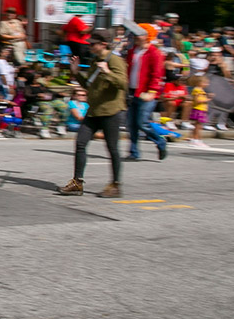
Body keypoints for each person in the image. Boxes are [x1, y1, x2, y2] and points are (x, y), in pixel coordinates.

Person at [56, 32, 128, 198]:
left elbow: (123, 84)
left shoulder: (115, 60)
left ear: (103, 44)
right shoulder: (96, 61)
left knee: (112, 149)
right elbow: (89, 86)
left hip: (111, 111)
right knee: (80, 143)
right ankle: (77, 183)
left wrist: (108, 72)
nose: (90, 47)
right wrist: (75, 72)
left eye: (93, 44)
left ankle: (116, 185)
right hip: (94, 111)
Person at [125, 23, 167, 161]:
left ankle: (160, 141)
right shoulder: (132, 51)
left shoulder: (155, 53)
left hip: (147, 92)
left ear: (146, 36)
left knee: (142, 122)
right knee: (131, 124)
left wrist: (153, 91)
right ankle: (134, 152)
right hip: (132, 90)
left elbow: (157, 74)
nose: (134, 37)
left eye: (137, 34)